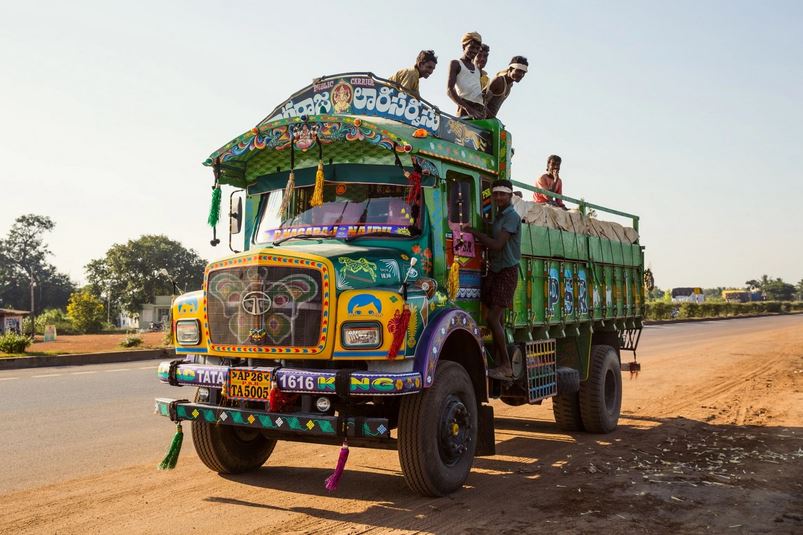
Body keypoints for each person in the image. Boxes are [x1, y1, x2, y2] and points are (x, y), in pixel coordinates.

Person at [465, 179, 521, 380]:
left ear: (510, 195)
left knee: (492, 318)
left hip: (507, 272)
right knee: (491, 317)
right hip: (496, 271)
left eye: (502, 194)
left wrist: (474, 233)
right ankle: (498, 362)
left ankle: (506, 365)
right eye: (495, 194)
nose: (498, 198)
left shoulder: (512, 217)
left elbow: (497, 245)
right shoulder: (499, 216)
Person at [447, 32, 486, 119]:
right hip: (465, 109)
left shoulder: (477, 70)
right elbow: (450, 90)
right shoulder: (456, 64)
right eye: (471, 47)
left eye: (477, 48)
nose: (474, 51)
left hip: (479, 110)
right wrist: (468, 108)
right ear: (464, 47)